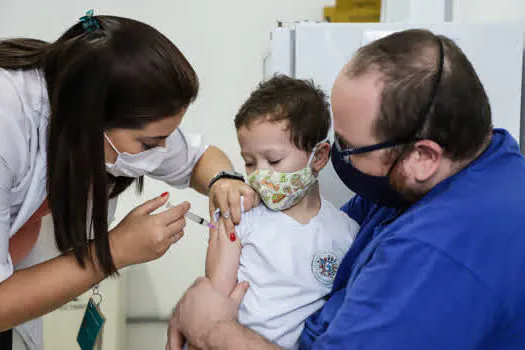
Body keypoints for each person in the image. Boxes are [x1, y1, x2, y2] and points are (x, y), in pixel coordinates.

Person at [167, 29, 525, 350]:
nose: (337, 158)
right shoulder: (469, 164)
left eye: (349, 147)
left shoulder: (439, 251)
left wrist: (213, 328)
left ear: (423, 155)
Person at [0, 11, 257, 350]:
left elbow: (199, 158)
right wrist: (114, 251)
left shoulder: (89, 101)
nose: (163, 152)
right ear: (90, 119)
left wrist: (224, 179)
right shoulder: (9, 124)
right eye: (150, 144)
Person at [185, 76, 359, 350]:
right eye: (250, 162)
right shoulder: (240, 218)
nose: (260, 174)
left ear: (319, 156)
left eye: (274, 160)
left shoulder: (347, 232)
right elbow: (212, 308)